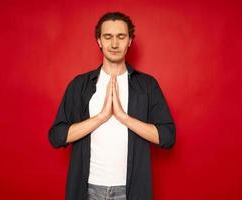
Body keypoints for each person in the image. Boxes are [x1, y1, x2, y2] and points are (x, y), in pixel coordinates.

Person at [48, 11, 176, 200]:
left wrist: (124, 117)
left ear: (130, 41)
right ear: (99, 41)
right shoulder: (80, 85)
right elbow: (57, 137)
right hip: (88, 190)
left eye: (121, 37)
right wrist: (101, 117)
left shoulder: (147, 86)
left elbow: (168, 137)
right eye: (108, 37)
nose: (114, 44)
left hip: (131, 191)